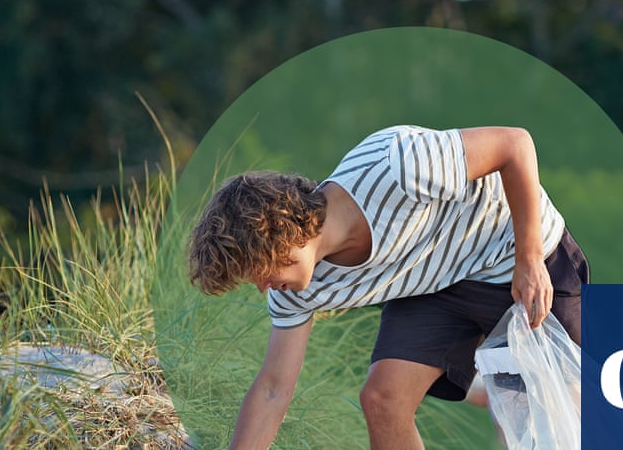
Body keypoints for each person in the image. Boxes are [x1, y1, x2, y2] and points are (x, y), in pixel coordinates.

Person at [188, 125, 589, 449]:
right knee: (383, 399)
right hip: (435, 283)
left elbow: (514, 144)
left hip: (515, 252)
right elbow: (273, 389)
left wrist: (529, 258)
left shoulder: (394, 166)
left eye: (258, 269)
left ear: (280, 230)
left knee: (571, 418)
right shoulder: (295, 289)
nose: (262, 287)